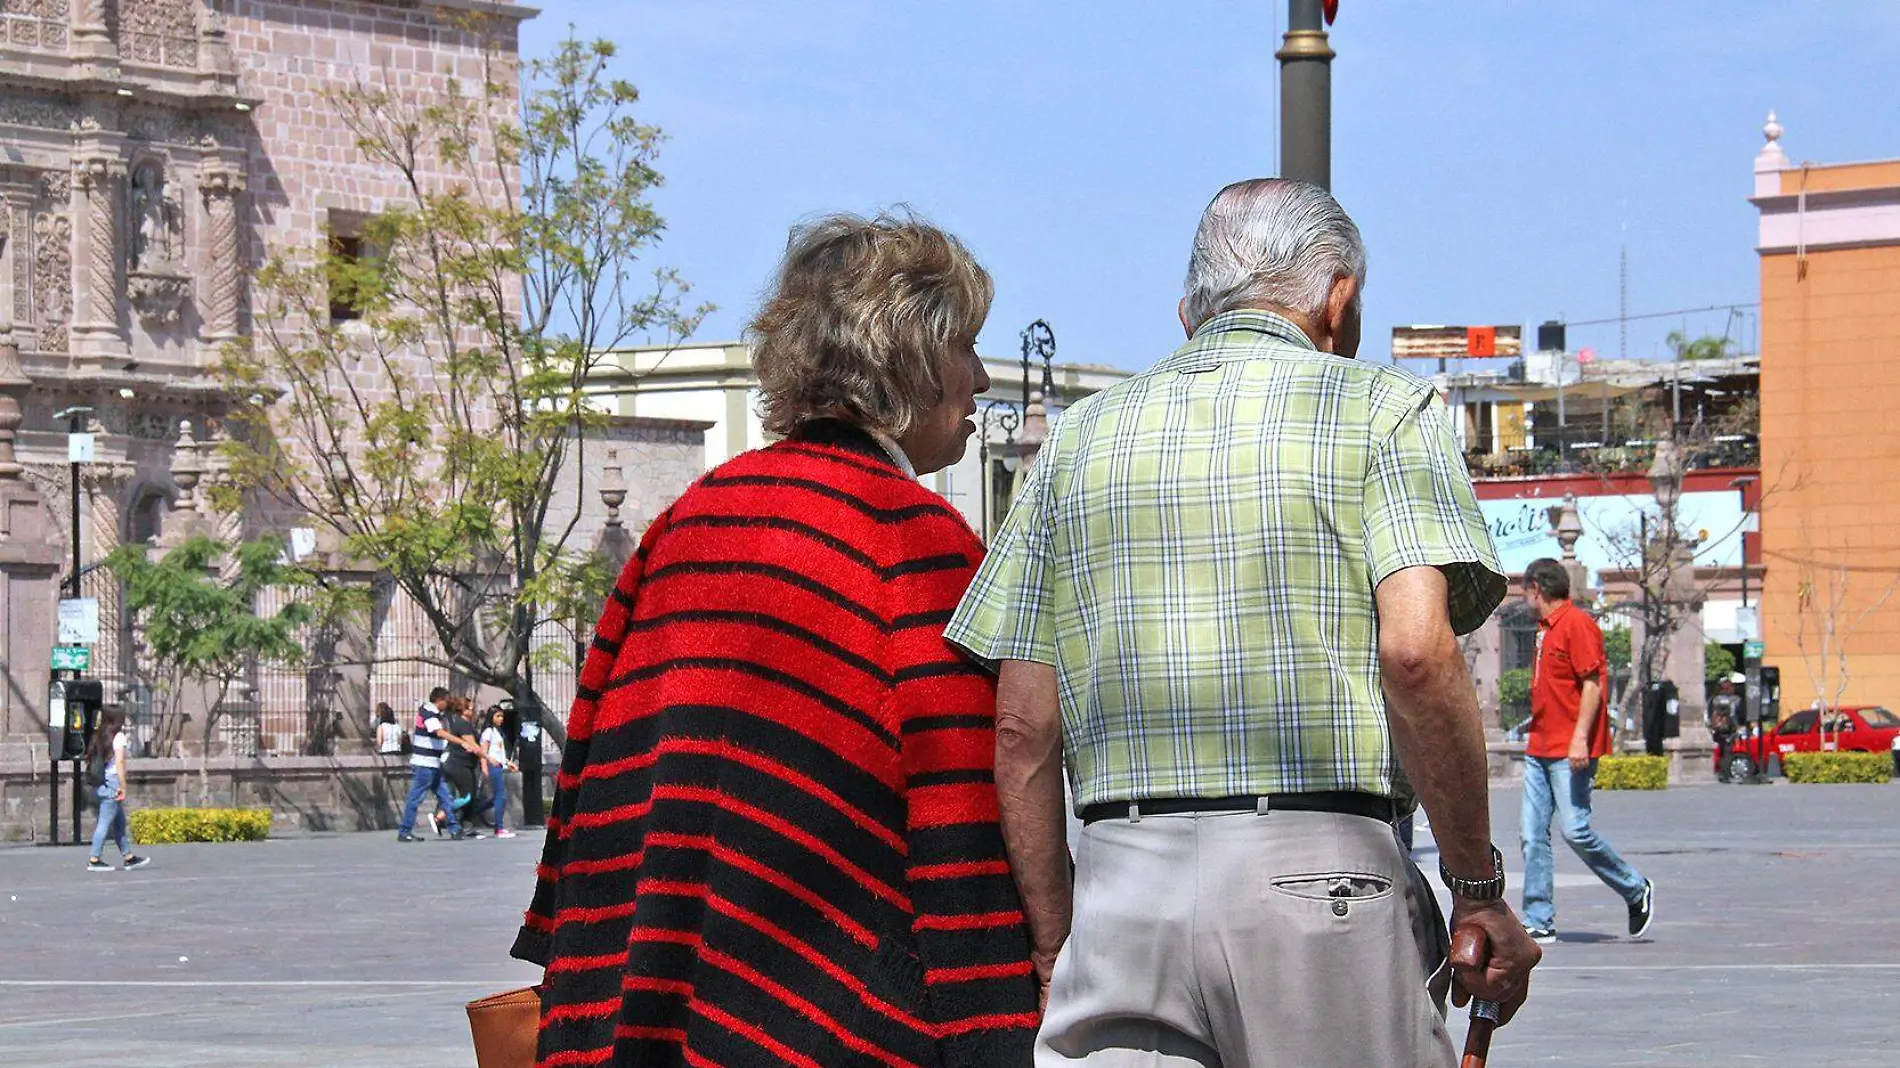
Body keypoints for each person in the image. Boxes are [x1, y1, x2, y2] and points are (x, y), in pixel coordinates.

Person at [946, 178, 1541, 1067]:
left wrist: (1055, 940)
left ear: (1188, 312)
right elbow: (1417, 654)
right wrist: (1478, 889)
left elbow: (1023, 725)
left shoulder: (1077, 443)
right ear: (1337, 298)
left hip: (1121, 886)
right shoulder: (1383, 412)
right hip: (1320, 879)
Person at [515, 212, 1040, 1067]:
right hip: (830, 1003)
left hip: (648, 979)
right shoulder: (917, 542)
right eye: (966, 347)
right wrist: (999, 1007)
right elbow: (960, 815)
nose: (980, 379)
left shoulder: (691, 519)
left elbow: (595, 764)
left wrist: (579, 949)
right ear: (909, 357)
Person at [1518, 557, 1654, 944]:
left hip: (1569, 748)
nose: (1526, 600)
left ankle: (1634, 888)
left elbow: (1593, 684)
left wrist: (1579, 738)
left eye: (1526, 592)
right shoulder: (1544, 630)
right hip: (1540, 746)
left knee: (1576, 830)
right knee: (1531, 834)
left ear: (1536, 589)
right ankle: (1538, 917)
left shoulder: (1577, 625)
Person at [396, 686, 480, 842]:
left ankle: (454, 829)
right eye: (445, 701)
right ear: (439, 700)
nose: (447, 704)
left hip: (434, 764)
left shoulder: (436, 714)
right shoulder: (428, 712)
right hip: (424, 764)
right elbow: (439, 732)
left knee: (445, 797)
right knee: (416, 797)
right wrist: (462, 742)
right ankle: (404, 830)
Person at [86, 707, 151, 873]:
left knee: (119, 823)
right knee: (104, 823)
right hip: (113, 781)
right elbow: (120, 762)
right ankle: (94, 859)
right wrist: (123, 785)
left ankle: (128, 857)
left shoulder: (99, 734)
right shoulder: (118, 736)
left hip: (103, 781)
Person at [439, 696, 486, 839]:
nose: (473, 711)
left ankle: (467, 825)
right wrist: (489, 758)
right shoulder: (462, 724)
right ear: (463, 710)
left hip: (467, 764)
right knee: (467, 796)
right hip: (458, 765)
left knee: (470, 796)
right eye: (470, 709)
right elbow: (474, 745)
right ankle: (442, 814)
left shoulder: (466, 724)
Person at [478, 707, 517, 838]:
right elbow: (483, 752)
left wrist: (507, 763)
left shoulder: (497, 732)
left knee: (497, 797)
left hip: (499, 765)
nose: (501, 719)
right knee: (501, 796)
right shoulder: (488, 732)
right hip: (492, 766)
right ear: (491, 717)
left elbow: (498, 752)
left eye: (502, 716)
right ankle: (499, 828)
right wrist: (484, 768)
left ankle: (474, 810)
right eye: (497, 716)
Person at [1709, 675, 1742, 780]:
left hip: (1719, 729)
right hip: (1729, 729)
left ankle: (1722, 773)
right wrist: (1737, 728)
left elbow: (1711, 714)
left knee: (1723, 752)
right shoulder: (1735, 700)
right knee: (1728, 752)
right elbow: (1734, 715)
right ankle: (1725, 774)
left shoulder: (1715, 700)